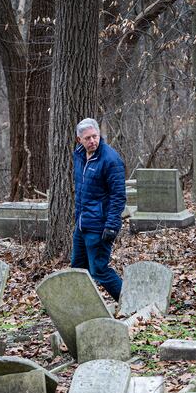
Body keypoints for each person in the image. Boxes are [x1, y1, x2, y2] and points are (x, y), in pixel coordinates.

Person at [72, 118, 126, 301]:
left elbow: (118, 196)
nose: (92, 141)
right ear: (79, 140)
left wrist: (111, 226)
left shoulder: (110, 159)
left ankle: (129, 302)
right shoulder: (78, 155)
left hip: (100, 226)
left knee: (99, 270)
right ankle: (80, 307)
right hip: (81, 225)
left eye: (95, 136)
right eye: (87, 138)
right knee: (78, 268)